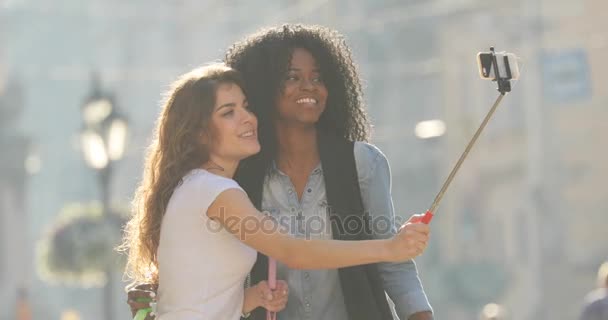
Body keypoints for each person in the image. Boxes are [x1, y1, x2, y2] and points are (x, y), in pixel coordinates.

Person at [120, 63, 430, 320]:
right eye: (228, 112)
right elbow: (293, 251)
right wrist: (389, 248)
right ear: (199, 133)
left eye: (246, 106)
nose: (247, 118)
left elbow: (197, 302)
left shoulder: (198, 187)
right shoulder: (214, 191)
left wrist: (250, 298)